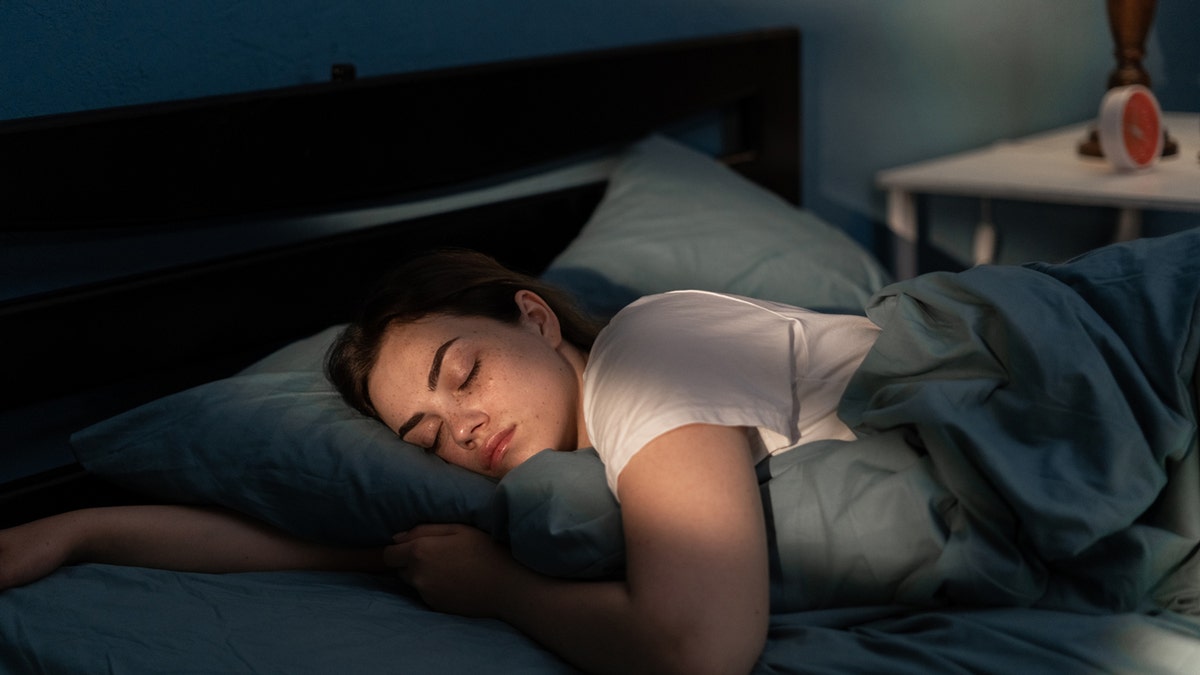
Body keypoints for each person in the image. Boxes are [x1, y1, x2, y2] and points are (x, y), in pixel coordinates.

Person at [0, 249, 881, 675]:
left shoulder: (643, 356)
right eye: (426, 437)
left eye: (464, 374)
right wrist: (83, 530)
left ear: (535, 318)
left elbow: (697, 651)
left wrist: (504, 591)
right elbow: (331, 544)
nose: (463, 429)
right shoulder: (559, 484)